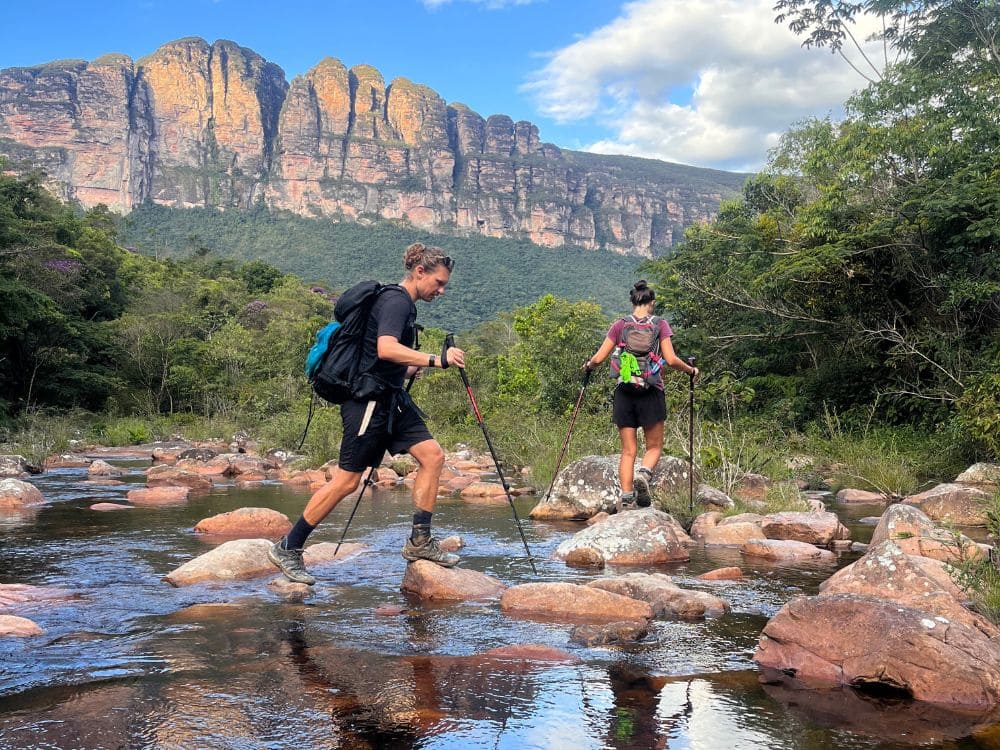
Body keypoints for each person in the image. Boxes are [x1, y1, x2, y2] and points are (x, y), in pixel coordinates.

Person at [269, 243, 466, 585]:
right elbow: (386, 348)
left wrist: (408, 370)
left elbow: (380, 358)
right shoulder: (396, 301)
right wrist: (437, 359)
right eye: (439, 282)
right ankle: (289, 546)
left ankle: (420, 542)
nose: (441, 290)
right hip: (368, 403)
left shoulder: (405, 305)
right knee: (347, 480)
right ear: (420, 272)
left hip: (390, 398)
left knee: (433, 456)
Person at [583, 280, 698, 511]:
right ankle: (644, 474)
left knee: (628, 451)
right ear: (652, 303)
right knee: (654, 446)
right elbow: (672, 359)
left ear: (632, 301)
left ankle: (626, 498)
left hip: (624, 393)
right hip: (651, 392)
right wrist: (691, 370)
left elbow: (598, 358)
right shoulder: (660, 325)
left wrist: (587, 367)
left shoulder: (620, 325)